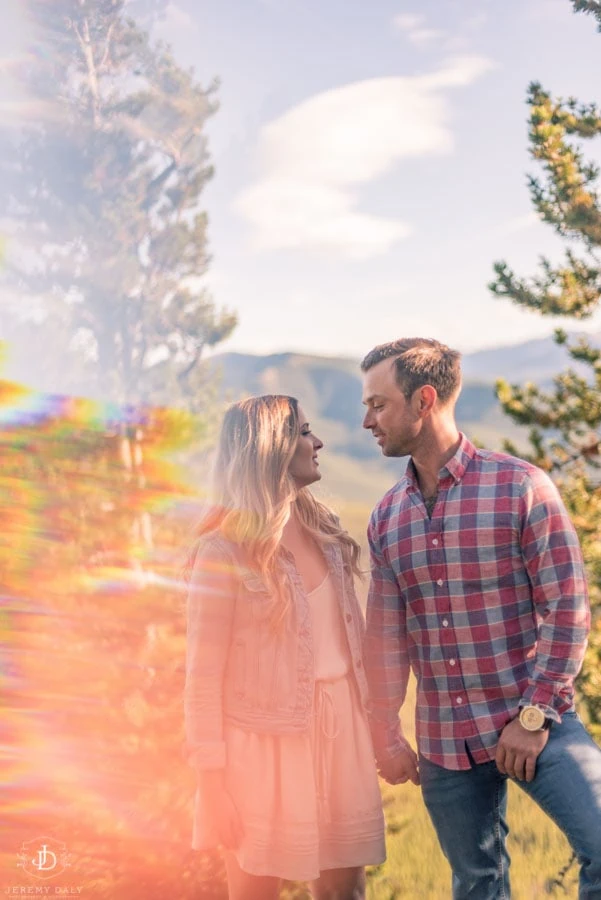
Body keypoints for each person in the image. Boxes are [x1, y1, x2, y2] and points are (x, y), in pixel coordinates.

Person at [359, 337, 601, 900]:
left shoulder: (520, 486)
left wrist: (536, 715)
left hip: (537, 719)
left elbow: (566, 606)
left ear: (423, 401)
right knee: (477, 883)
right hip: (445, 741)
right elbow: (387, 638)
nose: (367, 420)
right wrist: (384, 730)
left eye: (377, 403)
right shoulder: (386, 518)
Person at [184, 395, 385, 900]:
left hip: (341, 733)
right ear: (271, 448)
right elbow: (202, 677)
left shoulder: (328, 535)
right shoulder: (223, 552)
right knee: (255, 891)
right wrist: (212, 785)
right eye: (303, 432)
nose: (316, 443)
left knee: (346, 894)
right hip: (259, 745)